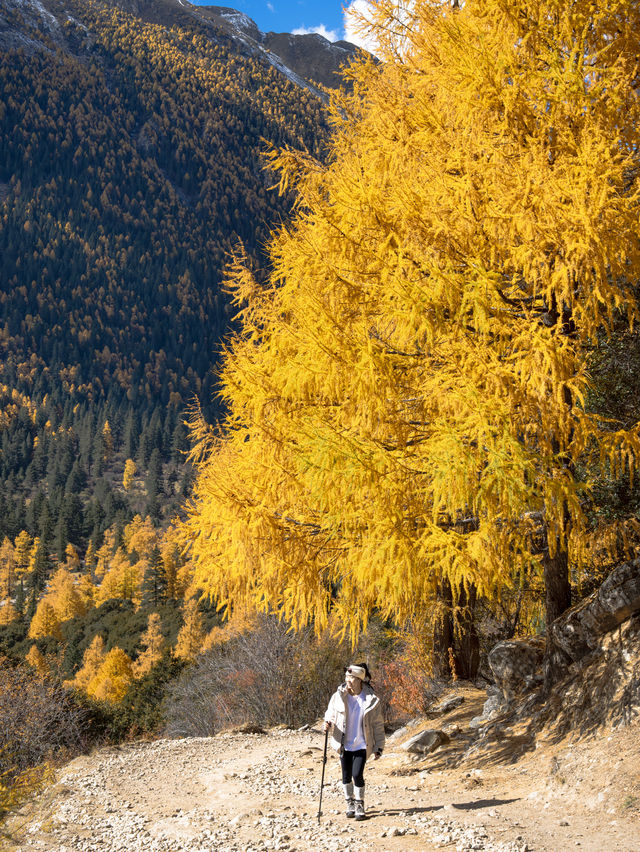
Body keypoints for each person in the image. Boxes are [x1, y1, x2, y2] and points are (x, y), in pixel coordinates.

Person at [323, 662, 385, 821]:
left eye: (351, 677)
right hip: (344, 743)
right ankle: (349, 802)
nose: (348, 680)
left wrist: (379, 746)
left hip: (362, 744)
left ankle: (359, 804)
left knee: (357, 774)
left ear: (360, 680)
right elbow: (330, 713)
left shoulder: (371, 699)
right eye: (346, 677)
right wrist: (327, 723)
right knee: (346, 775)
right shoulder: (338, 696)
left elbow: (378, 724)